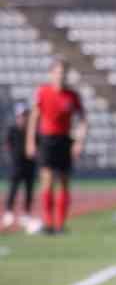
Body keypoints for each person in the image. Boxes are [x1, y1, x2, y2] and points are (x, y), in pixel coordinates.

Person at [24, 60, 87, 234]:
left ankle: (60, 224)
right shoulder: (43, 92)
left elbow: (83, 120)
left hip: (65, 140)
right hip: (46, 140)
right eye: (58, 72)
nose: (61, 75)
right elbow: (34, 117)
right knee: (47, 181)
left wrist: (79, 141)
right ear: (51, 74)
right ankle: (49, 222)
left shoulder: (72, 95)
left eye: (63, 72)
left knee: (64, 182)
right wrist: (30, 142)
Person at [4, 101, 38, 230]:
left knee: (29, 189)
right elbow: (7, 144)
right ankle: (9, 212)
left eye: (25, 115)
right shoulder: (12, 130)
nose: (23, 118)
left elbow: (37, 145)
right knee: (13, 188)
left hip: (29, 164)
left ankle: (26, 213)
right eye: (21, 115)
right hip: (16, 164)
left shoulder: (32, 131)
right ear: (17, 116)